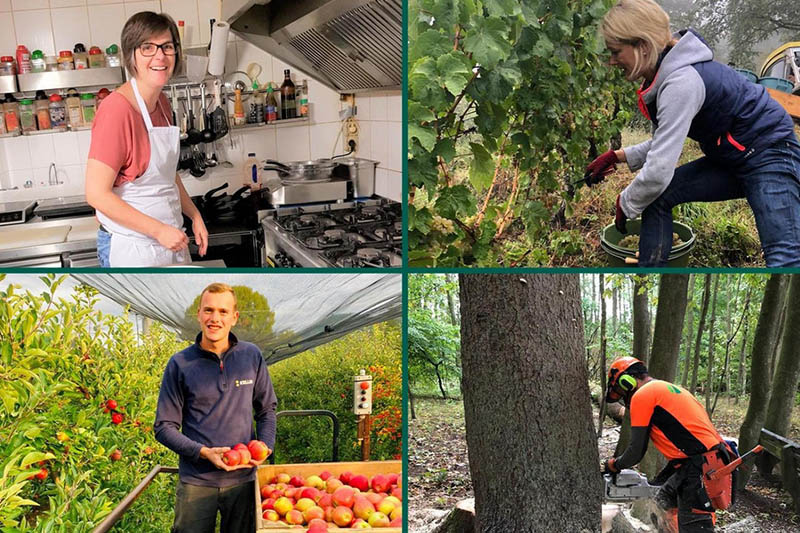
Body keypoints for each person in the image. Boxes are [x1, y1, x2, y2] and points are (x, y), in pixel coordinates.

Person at [585, 0, 800, 267]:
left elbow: (658, 172)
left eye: (616, 52)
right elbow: (663, 142)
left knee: (784, 258)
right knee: (659, 197)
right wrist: (617, 156)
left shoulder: (681, 82)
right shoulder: (662, 77)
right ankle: (651, 268)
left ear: (642, 46)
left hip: (770, 152)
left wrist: (626, 202)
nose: (612, 61)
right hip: (734, 155)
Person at [85, 11, 208, 267]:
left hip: (167, 241)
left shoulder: (161, 102)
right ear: (132, 55)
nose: (160, 56)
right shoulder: (116, 110)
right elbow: (96, 194)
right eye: (147, 47)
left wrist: (194, 214)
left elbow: (165, 173)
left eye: (167, 46)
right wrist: (158, 230)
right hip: (130, 247)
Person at [154, 282, 277, 533]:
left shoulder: (251, 356)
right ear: (198, 314)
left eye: (223, 312)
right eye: (208, 310)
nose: (215, 318)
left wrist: (264, 447)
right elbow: (163, 427)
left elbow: (266, 410)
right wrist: (202, 452)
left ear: (235, 317)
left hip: (244, 481)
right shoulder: (180, 364)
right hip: (196, 483)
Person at [602, 357, 735, 533]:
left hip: (702, 467)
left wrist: (614, 465)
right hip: (699, 462)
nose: (623, 397)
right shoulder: (669, 389)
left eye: (620, 390)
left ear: (627, 382)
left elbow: (636, 451)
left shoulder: (643, 395)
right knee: (661, 504)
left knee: (695, 526)